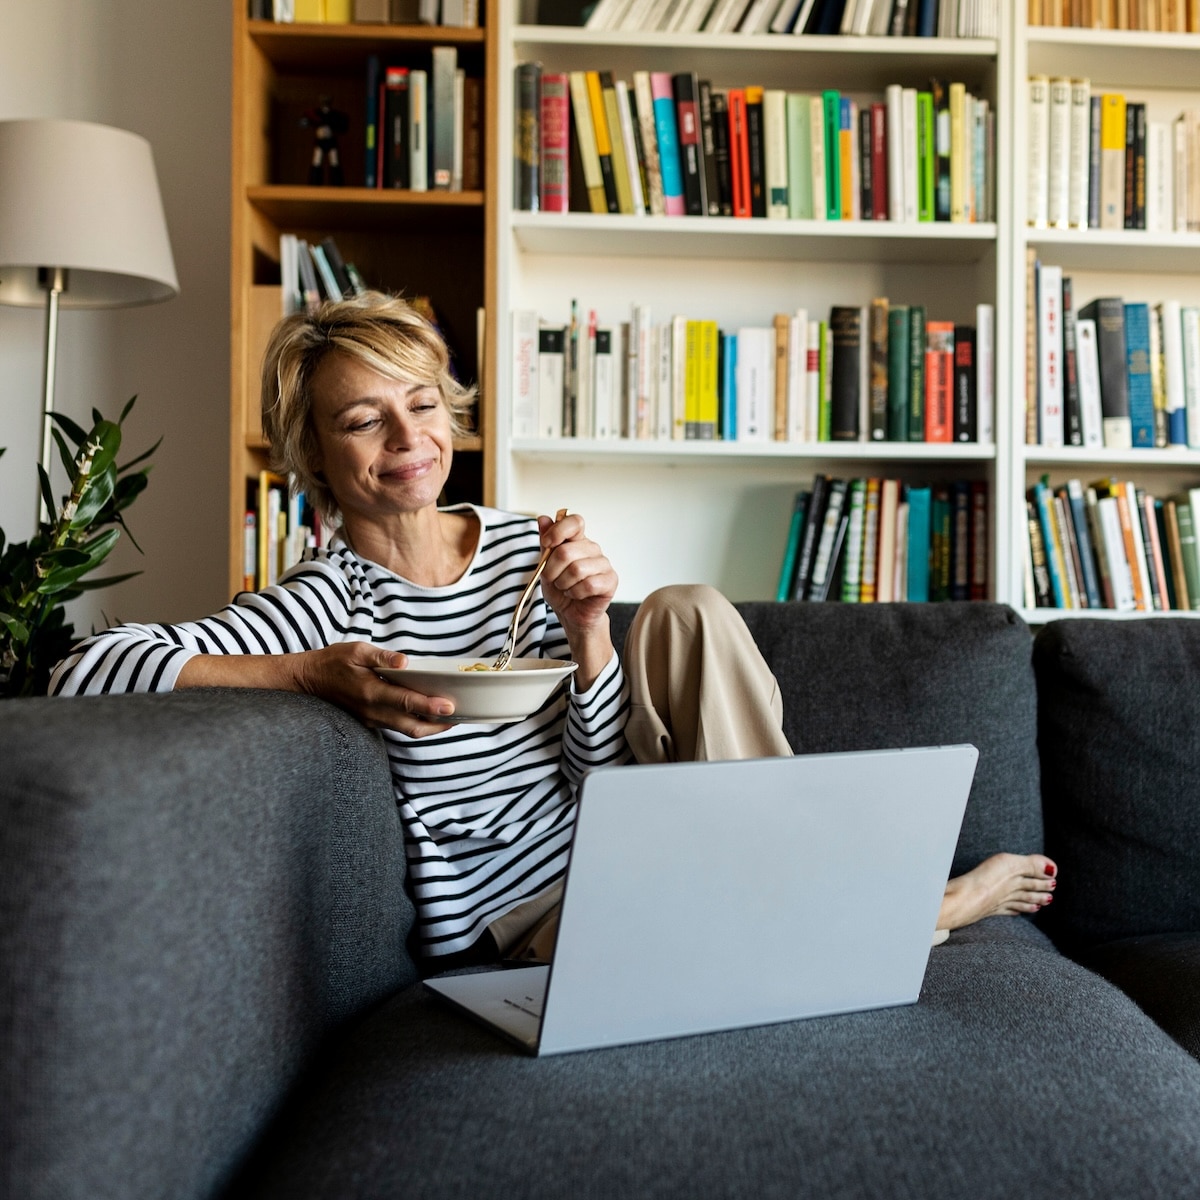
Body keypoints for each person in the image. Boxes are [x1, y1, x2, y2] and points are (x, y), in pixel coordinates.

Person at [49, 293, 1056, 968]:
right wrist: (311, 675)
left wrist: (586, 636)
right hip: (528, 919)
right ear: (313, 447)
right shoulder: (327, 605)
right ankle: (925, 908)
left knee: (684, 611)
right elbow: (84, 668)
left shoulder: (521, 546)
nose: (409, 441)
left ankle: (798, 878)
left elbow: (589, 767)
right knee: (745, 931)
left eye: (422, 404)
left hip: (626, 833)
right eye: (364, 420)